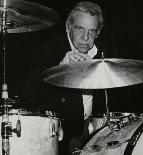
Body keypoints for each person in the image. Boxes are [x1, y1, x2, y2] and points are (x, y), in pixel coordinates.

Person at [23, 1, 104, 155]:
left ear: (98, 32)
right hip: (59, 138)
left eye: (92, 31)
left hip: (94, 135)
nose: (86, 37)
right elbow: (30, 94)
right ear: (68, 27)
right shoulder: (47, 49)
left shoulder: (103, 52)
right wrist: (61, 68)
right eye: (80, 28)